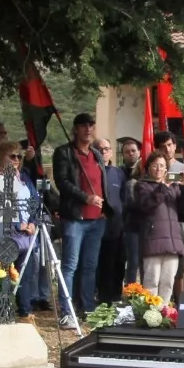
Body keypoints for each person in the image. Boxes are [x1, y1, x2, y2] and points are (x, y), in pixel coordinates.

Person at [51, 113, 107, 327]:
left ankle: (88, 308)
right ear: (75, 129)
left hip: (97, 220)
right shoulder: (63, 152)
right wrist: (86, 197)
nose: (88, 129)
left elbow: (102, 182)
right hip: (75, 217)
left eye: (91, 125)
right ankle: (67, 311)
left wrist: (105, 208)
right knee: (70, 265)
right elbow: (62, 182)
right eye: (83, 126)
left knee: (90, 266)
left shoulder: (96, 154)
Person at [131, 153, 184, 301]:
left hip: (173, 242)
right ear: (148, 168)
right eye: (155, 165)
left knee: (168, 283)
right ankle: (149, 315)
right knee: (151, 282)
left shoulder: (174, 186)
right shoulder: (142, 185)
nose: (158, 169)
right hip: (152, 240)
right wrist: (163, 186)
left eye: (162, 166)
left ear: (167, 169)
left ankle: (163, 315)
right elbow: (146, 205)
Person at [0, 142, 42, 320]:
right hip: (8, 235)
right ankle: (3, 311)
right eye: (12, 156)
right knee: (3, 275)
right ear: (0, 157)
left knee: (26, 274)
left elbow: (35, 202)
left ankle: (25, 310)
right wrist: (16, 224)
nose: (16, 160)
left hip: (27, 235)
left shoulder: (25, 177)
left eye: (19, 157)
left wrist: (33, 222)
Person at [97, 140, 129, 305]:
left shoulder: (118, 173)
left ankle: (116, 298)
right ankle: (102, 299)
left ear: (111, 152)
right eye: (100, 149)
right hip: (98, 227)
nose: (103, 152)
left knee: (118, 263)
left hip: (117, 226)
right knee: (102, 265)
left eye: (107, 149)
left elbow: (123, 198)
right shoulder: (93, 171)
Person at [118, 138, 144, 285]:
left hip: (146, 224)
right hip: (129, 224)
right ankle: (131, 295)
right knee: (132, 263)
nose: (131, 154)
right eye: (127, 152)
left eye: (133, 150)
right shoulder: (119, 172)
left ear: (139, 152)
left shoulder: (146, 171)